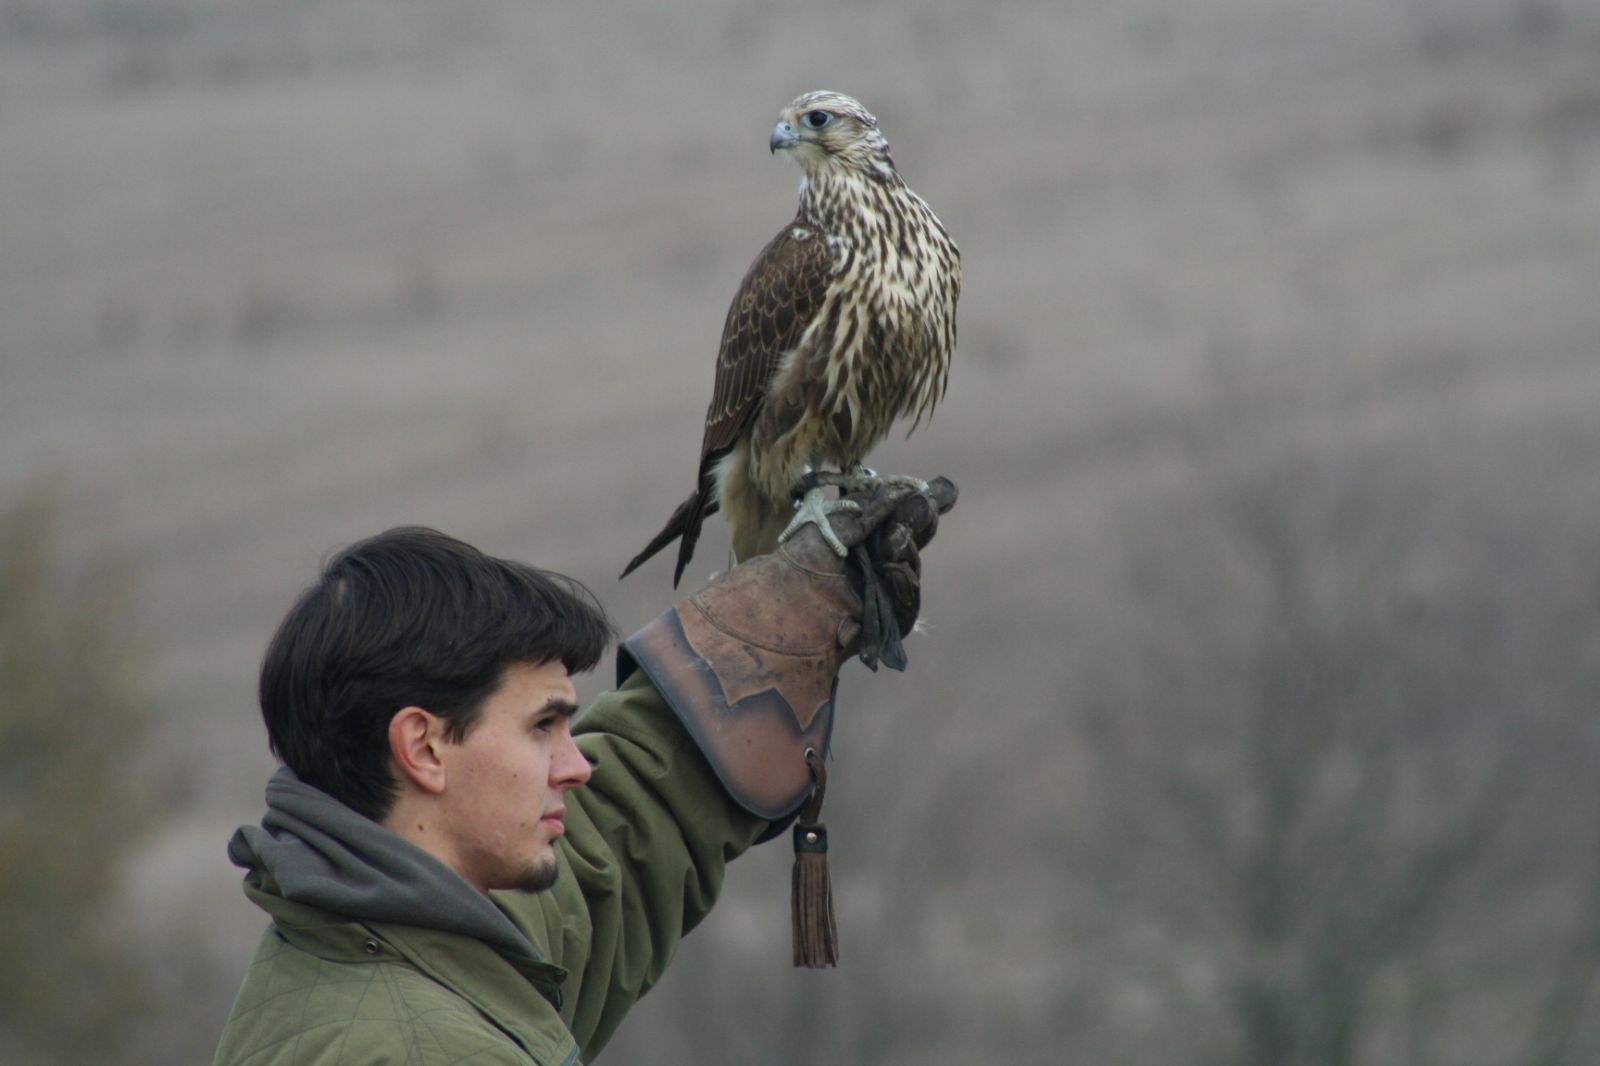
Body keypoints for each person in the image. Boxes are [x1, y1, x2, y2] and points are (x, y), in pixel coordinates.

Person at [213, 478, 954, 1066]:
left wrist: (784, 630)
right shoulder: (420, 1047)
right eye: (544, 726)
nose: (577, 767)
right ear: (425, 747)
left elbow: (616, 853)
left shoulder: (388, 929)